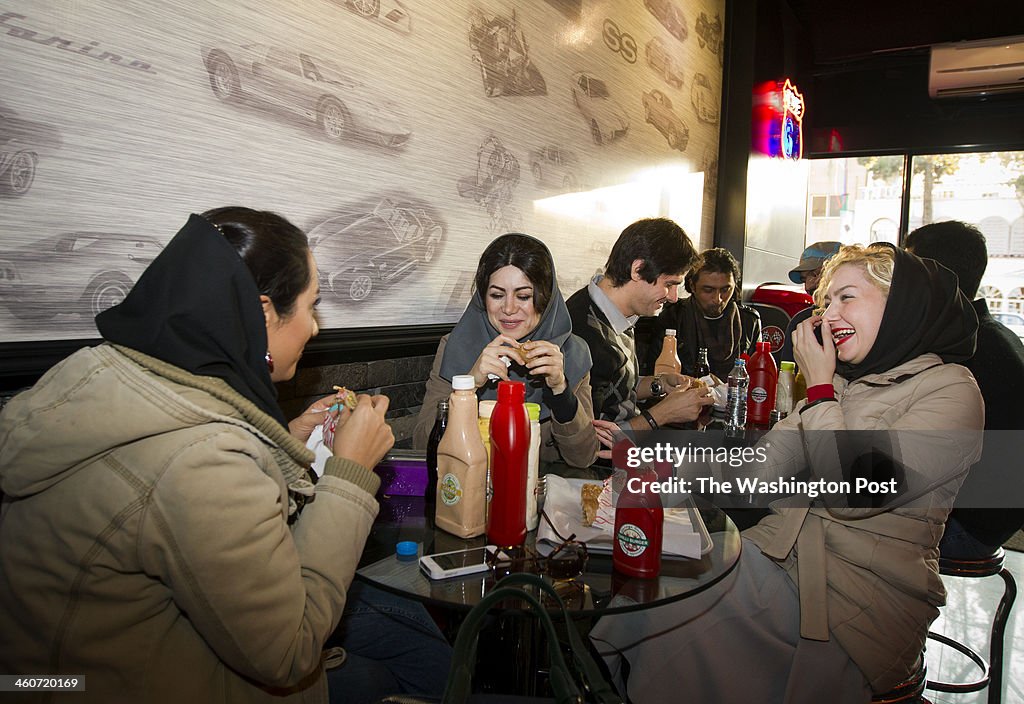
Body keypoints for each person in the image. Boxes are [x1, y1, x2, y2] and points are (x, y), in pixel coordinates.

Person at [0, 209, 448, 704]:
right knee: (393, 671)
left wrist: (285, 442)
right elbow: (289, 651)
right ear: (260, 315)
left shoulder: (107, 378)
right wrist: (350, 473)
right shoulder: (203, 459)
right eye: (309, 306)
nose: (315, 328)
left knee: (406, 639)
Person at [591, 243, 983, 703]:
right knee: (646, 575)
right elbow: (757, 469)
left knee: (673, 608)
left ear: (901, 305)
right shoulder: (842, 384)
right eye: (827, 300)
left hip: (857, 600)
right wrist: (654, 465)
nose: (828, 313)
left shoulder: (952, 391)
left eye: (846, 297)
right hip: (779, 557)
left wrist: (819, 391)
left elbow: (857, 492)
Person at [414, 233, 598, 466]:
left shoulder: (572, 353)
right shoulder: (457, 346)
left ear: (546, 298)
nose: (509, 308)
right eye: (497, 295)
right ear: (483, 298)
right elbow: (422, 447)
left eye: (523, 296)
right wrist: (469, 386)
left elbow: (584, 458)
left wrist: (561, 391)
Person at [905, 220, 1024, 558]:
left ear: (933, 278)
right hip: (992, 515)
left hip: (969, 525)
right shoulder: (991, 335)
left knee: (824, 523)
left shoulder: (967, 353)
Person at [565, 217, 714, 435]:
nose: (673, 297)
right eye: (669, 284)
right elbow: (585, 441)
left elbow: (615, 387)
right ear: (638, 269)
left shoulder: (616, 313)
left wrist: (660, 384)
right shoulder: (581, 333)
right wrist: (663, 414)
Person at [652, 247, 761, 379]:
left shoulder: (749, 321)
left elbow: (757, 374)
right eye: (708, 290)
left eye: (725, 289)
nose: (718, 299)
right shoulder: (674, 317)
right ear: (692, 286)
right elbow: (656, 374)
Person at [779, 240, 842, 363]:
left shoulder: (860, 321)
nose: (808, 286)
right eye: (804, 279)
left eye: (815, 274)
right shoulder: (801, 322)